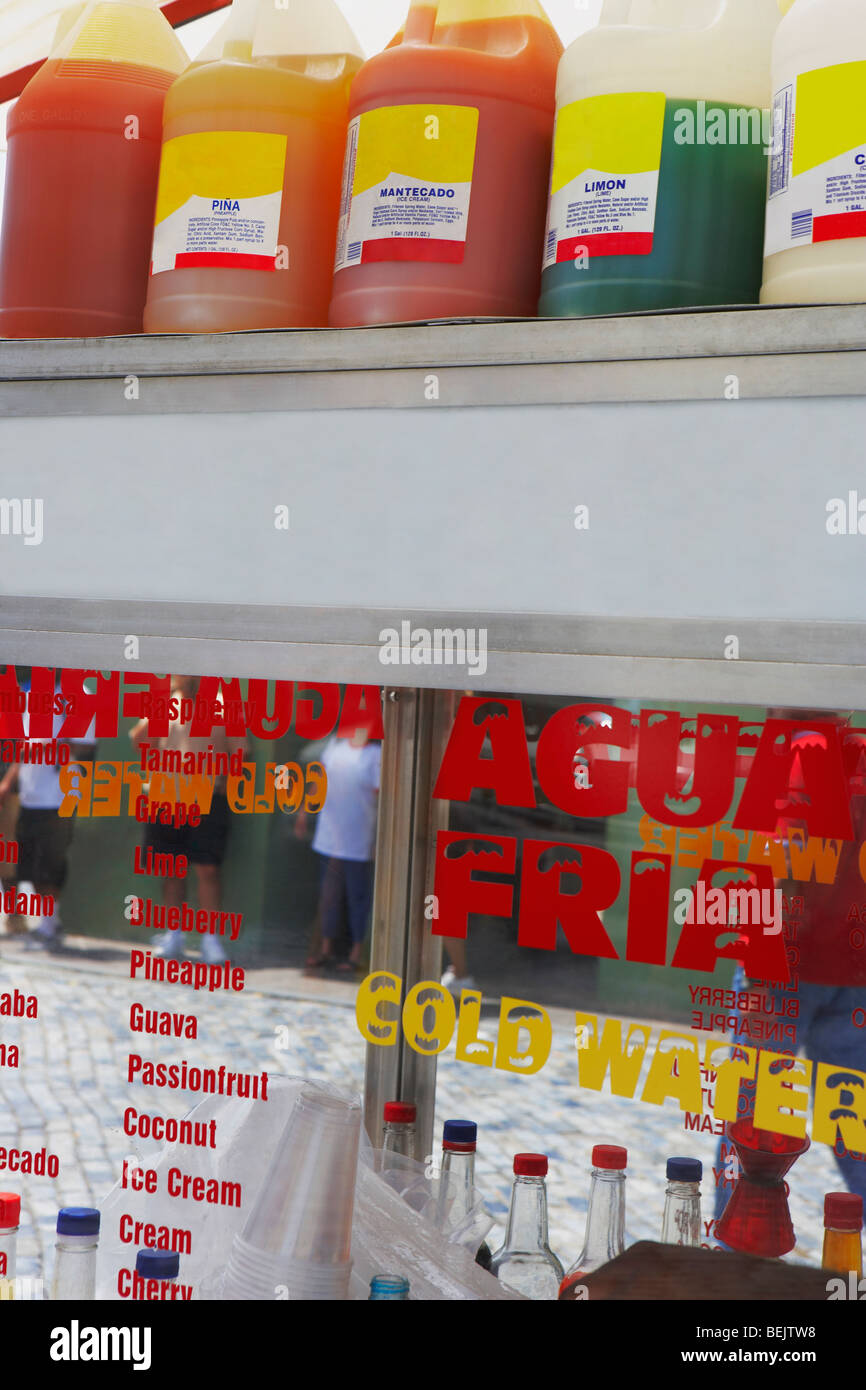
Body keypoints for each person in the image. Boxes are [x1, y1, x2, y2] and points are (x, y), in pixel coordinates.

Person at [713, 710, 866, 1223]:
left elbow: (789, 854)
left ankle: (733, 1254)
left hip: (787, 969)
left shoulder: (806, 747)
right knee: (852, 1123)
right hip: (854, 969)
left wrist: (763, 958)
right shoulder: (856, 750)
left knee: (751, 1122)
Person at [129, 675, 245, 965]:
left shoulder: (225, 706)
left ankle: (210, 940)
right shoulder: (165, 704)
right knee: (171, 869)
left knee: (208, 870)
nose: (184, 675)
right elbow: (141, 743)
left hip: (207, 799)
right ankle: (174, 934)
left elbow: (239, 756)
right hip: (165, 797)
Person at [0, 679, 96, 951]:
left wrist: (42, 751)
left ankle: (49, 925)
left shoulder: (80, 695)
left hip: (60, 794)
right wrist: (9, 782)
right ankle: (46, 923)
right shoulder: (32, 694)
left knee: (52, 864)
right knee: (30, 864)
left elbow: (84, 746)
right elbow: (24, 746)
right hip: (30, 795)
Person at [304, 725, 381, 974]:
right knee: (329, 893)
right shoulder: (334, 748)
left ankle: (356, 952)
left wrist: (381, 836)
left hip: (359, 834)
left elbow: (381, 796)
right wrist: (304, 812)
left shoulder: (375, 755)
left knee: (357, 895)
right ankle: (325, 948)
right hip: (330, 833)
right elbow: (319, 781)